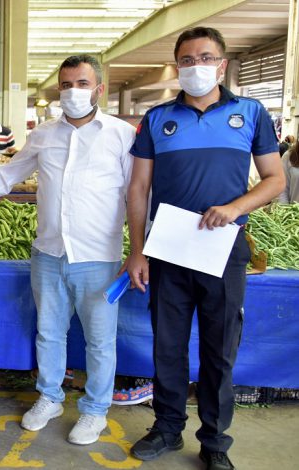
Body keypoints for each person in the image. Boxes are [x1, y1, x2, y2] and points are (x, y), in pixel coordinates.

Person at [123, 27, 284, 470]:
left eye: (205, 57)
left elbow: (275, 179)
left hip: (223, 249)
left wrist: (235, 208)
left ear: (222, 64)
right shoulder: (157, 119)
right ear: (178, 66)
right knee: (168, 345)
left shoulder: (250, 113)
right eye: (187, 59)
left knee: (219, 347)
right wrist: (137, 250)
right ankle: (168, 428)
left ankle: (215, 442)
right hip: (169, 247)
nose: (196, 66)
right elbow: (138, 188)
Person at [0, 54, 135, 445]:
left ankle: (95, 411)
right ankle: (49, 397)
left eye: (82, 84)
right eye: (66, 85)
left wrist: (140, 250)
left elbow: (137, 195)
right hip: (48, 253)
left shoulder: (121, 135)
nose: (73, 92)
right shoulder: (44, 135)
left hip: (98, 257)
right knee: (49, 333)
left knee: (100, 341)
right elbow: (7, 176)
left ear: (99, 89)